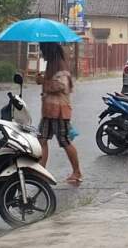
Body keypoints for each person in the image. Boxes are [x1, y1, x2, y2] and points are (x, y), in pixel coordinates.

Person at [36, 42, 83, 183]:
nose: (42, 54)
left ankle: (77, 172)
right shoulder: (51, 65)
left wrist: (44, 81)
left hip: (60, 112)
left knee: (65, 141)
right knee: (42, 140)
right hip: (48, 112)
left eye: (43, 51)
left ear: (50, 52)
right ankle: (41, 171)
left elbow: (62, 86)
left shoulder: (61, 67)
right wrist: (42, 80)